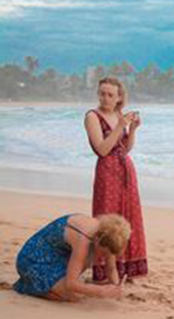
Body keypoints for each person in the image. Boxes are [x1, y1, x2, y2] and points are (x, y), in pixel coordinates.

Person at [84, 77, 147, 282]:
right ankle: (105, 271)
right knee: (107, 219)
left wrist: (133, 129)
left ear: (119, 97)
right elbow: (102, 149)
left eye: (110, 94)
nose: (105, 98)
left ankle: (128, 268)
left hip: (126, 171)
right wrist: (120, 126)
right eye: (102, 93)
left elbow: (125, 148)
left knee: (128, 218)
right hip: (107, 172)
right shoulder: (92, 116)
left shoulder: (118, 115)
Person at [13, 213, 132, 301]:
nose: (104, 257)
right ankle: (28, 286)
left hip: (58, 256)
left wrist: (116, 287)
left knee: (79, 284)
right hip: (33, 258)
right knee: (74, 297)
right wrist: (99, 291)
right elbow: (71, 284)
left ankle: (51, 286)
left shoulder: (110, 235)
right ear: (97, 240)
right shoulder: (83, 239)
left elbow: (111, 269)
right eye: (103, 253)